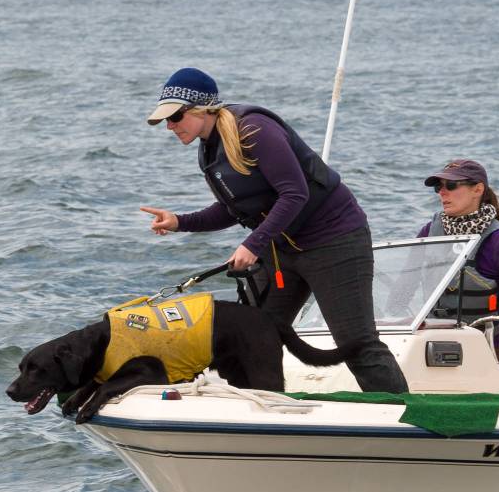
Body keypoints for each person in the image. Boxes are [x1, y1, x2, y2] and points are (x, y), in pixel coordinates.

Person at [140, 67, 408, 393]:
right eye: (165, 120)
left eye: (176, 117)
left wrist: (253, 244)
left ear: (202, 110)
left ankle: (399, 415)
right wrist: (180, 221)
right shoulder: (209, 148)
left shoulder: (255, 129)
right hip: (282, 249)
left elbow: (295, 193)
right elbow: (232, 208)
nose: (170, 126)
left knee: (357, 342)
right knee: (250, 335)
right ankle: (263, 409)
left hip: (335, 242)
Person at [418, 159, 499, 395]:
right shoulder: (428, 233)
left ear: (478, 189)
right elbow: (401, 293)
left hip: (496, 352)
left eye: (451, 186)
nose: (442, 193)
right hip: (438, 349)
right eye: (439, 187)